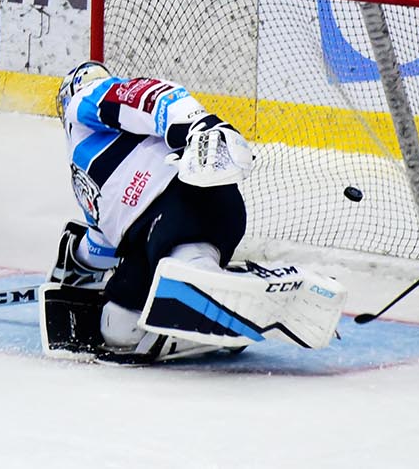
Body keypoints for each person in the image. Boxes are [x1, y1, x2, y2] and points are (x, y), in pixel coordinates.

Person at [45, 60, 339, 362]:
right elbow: (102, 245)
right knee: (117, 329)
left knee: (187, 271)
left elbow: (150, 96)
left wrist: (199, 124)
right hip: (147, 241)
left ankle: (231, 285)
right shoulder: (84, 171)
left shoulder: (85, 98)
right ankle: (214, 325)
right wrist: (75, 259)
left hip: (184, 200)